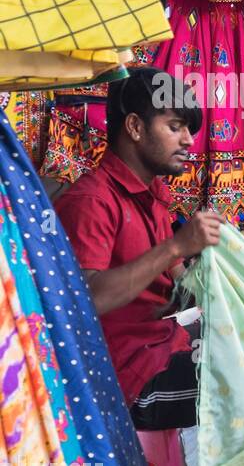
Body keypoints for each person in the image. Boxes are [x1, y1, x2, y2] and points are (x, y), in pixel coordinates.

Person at [55, 68, 223, 438]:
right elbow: (88, 298)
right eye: (176, 126)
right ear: (134, 127)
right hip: (125, 380)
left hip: (162, 348)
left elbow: (180, 285)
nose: (190, 140)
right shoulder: (91, 202)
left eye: (189, 129)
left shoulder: (151, 197)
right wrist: (176, 246)